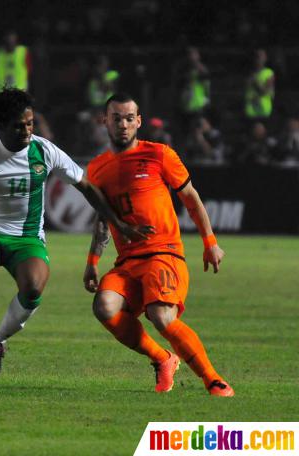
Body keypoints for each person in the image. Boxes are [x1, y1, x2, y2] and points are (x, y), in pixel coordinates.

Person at [0, 88, 152, 389]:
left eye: (30, 123)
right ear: (2, 125)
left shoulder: (44, 150)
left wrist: (119, 224)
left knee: (33, 288)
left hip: (28, 238)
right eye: (20, 125)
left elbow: (86, 187)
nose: (27, 131)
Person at [83, 92, 234, 397]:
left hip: (163, 253)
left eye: (129, 118)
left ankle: (213, 380)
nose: (123, 124)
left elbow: (191, 198)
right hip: (127, 262)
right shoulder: (96, 168)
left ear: (138, 122)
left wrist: (210, 242)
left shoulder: (159, 154)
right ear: (104, 122)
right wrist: (93, 262)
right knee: (104, 307)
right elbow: (103, 218)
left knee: (161, 317)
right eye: (116, 118)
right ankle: (163, 359)